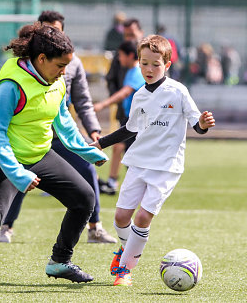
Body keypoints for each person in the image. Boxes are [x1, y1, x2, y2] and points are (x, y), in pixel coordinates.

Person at [0, 22, 108, 294]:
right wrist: (17, 173)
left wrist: (87, 152)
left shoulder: (56, 81)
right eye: (60, 66)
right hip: (2, 156)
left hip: (39, 153)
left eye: (67, 65)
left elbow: (63, 121)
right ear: (41, 59)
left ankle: (59, 261)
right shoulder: (11, 85)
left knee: (84, 198)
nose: (64, 72)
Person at [90, 35, 215, 287]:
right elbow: (130, 129)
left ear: (167, 65)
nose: (149, 69)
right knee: (121, 217)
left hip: (166, 167)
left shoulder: (178, 91)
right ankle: (125, 252)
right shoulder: (139, 96)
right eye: (144, 63)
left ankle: (124, 270)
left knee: (143, 218)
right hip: (138, 163)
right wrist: (101, 143)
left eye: (155, 64)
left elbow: (195, 123)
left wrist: (202, 124)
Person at [0, 10, 116, 244]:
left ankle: (94, 228)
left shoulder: (72, 62)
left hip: (59, 130)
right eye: (47, 30)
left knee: (86, 172)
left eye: (57, 30)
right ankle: (6, 226)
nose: (61, 70)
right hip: (29, 134)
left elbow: (81, 100)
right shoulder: (18, 69)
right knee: (21, 177)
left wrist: (92, 132)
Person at [100, 18, 144, 194]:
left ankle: (133, 184)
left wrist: (103, 104)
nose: (128, 37)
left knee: (129, 151)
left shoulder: (146, 59)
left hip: (140, 117)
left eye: (131, 34)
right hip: (127, 114)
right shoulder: (123, 57)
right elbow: (113, 80)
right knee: (124, 149)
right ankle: (118, 183)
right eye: (126, 34)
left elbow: (126, 91)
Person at [94, 41, 145, 119]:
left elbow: (124, 93)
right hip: (129, 117)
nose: (119, 58)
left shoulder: (138, 71)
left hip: (136, 119)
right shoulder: (130, 70)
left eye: (121, 55)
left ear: (130, 55)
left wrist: (102, 105)